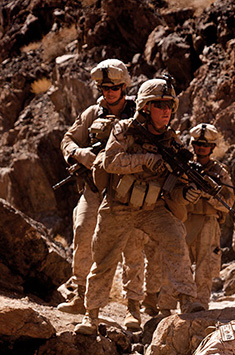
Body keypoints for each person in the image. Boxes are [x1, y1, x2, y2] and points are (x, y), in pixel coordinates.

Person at [75, 77, 202, 336]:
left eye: (169, 105)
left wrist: (187, 192)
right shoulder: (124, 129)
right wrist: (146, 160)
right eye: (159, 105)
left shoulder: (172, 141)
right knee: (104, 259)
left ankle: (187, 300)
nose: (166, 111)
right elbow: (109, 161)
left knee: (177, 240)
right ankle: (91, 315)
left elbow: (177, 182)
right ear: (145, 107)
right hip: (119, 206)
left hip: (153, 208)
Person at [58, 59, 144, 330]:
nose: (109, 93)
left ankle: (133, 307)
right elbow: (67, 140)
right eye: (104, 88)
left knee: (132, 246)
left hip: (127, 191)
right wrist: (80, 153)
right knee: (83, 231)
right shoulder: (91, 113)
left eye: (114, 88)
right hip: (94, 188)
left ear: (124, 87)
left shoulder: (138, 114)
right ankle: (80, 295)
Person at [184, 123, 234, 310]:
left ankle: (201, 304)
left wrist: (209, 195)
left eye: (205, 145)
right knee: (181, 263)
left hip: (208, 222)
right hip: (184, 219)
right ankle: (180, 304)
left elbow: (228, 203)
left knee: (205, 266)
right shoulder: (184, 167)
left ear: (212, 148)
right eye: (197, 144)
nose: (201, 148)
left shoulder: (220, 173)